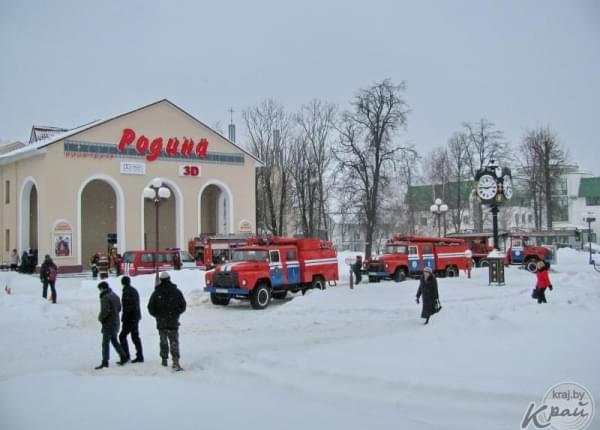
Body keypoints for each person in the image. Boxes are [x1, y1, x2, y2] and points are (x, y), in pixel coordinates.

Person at [148, 272, 187, 371]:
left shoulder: (156, 293)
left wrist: (157, 315)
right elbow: (183, 306)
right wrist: (176, 313)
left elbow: (150, 307)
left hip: (161, 322)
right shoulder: (176, 291)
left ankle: (164, 360)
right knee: (174, 341)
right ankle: (175, 361)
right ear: (169, 279)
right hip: (173, 321)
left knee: (163, 341)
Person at [95, 281, 128, 369]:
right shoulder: (114, 295)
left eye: (100, 289)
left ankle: (105, 362)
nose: (100, 291)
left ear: (103, 288)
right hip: (115, 321)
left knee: (105, 343)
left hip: (108, 323)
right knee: (114, 340)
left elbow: (105, 311)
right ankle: (123, 357)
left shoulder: (105, 297)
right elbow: (119, 308)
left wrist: (100, 318)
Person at [119, 276, 144, 363]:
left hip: (130, 318)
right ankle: (140, 355)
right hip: (135, 317)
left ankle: (126, 356)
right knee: (135, 336)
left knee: (122, 336)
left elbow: (127, 308)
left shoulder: (126, 292)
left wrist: (124, 319)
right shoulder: (133, 290)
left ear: (122, 283)